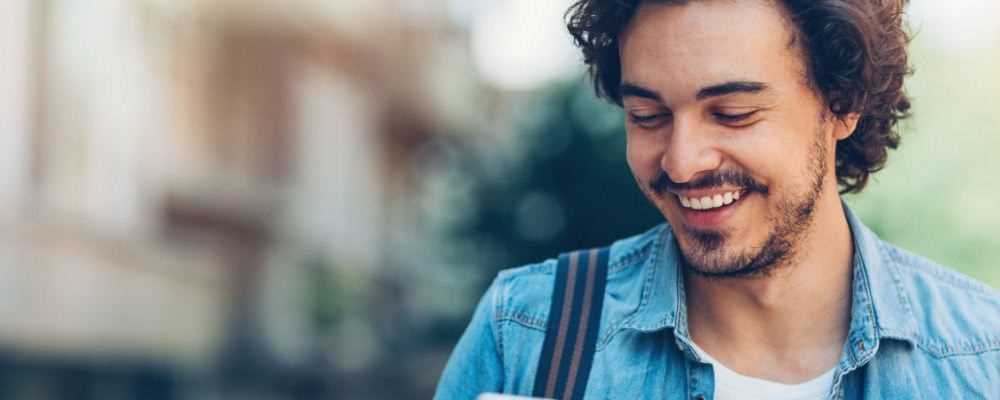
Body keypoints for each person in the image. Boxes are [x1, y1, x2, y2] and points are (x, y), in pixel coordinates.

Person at [435, 0, 1000, 398]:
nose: (682, 161)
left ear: (843, 103)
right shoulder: (527, 333)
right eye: (647, 117)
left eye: (733, 114)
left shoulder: (982, 358)